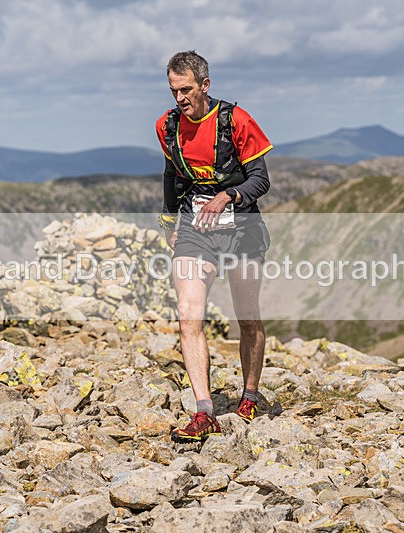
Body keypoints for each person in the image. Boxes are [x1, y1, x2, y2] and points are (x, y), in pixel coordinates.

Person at [155, 51, 273, 442]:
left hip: (242, 227)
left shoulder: (236, 121)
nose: (180, 98)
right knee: (189, 316)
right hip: (195, 228)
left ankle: (250, 394)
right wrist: (171, 222)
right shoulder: (167, 127)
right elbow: (172, 175)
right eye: (174, 91)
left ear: (205, 85)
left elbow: (260, 180)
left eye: (186, 89)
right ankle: (204, 412)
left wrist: (229, 196)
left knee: (248, 317)